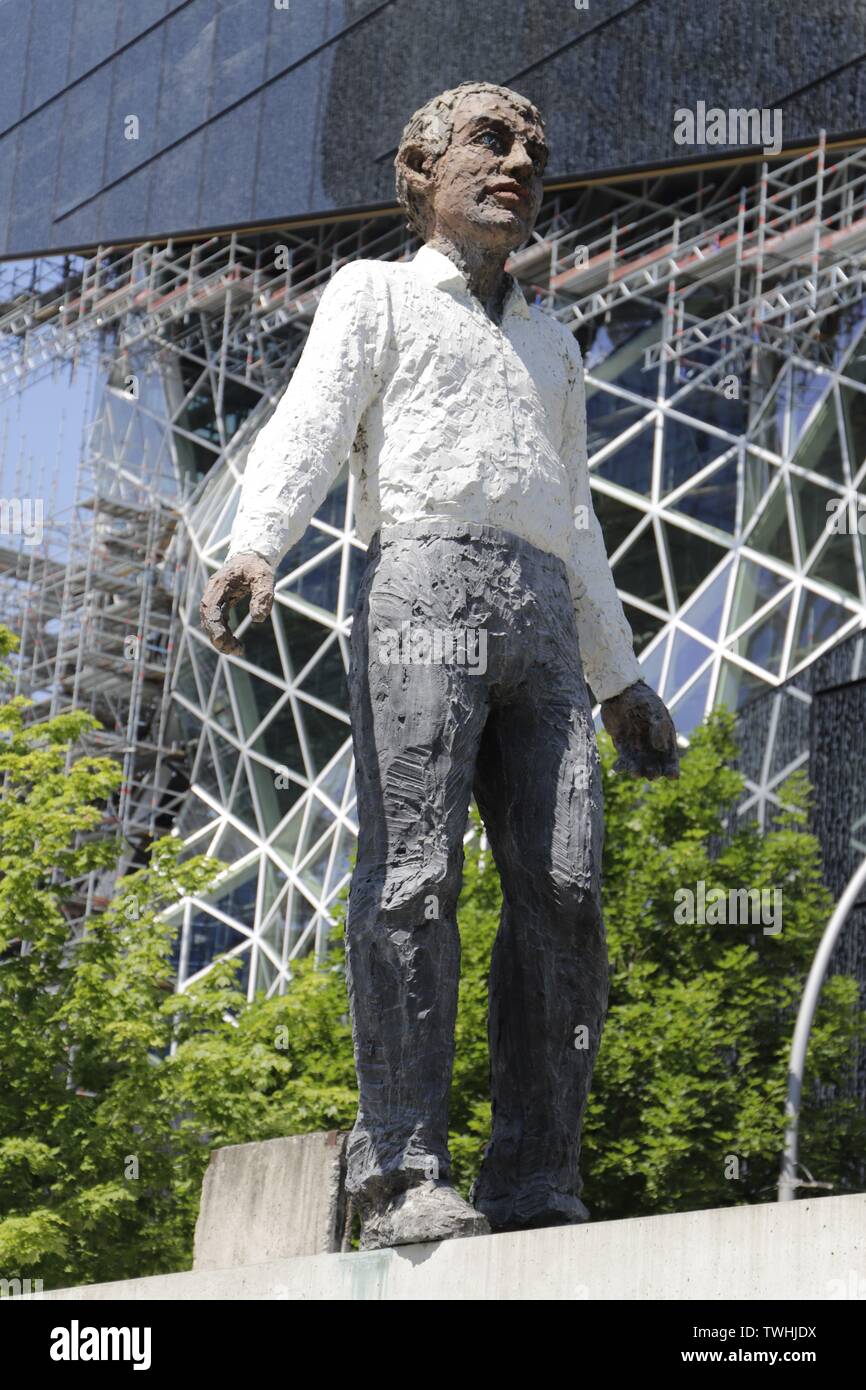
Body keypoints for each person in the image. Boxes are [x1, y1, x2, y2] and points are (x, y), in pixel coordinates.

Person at [200, 81, 679, 1251]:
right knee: (413, 870)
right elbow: (309, 421)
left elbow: (572, 522)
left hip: (538, 616)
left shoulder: (551, 340)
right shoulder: (372, 294)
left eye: (532, 149)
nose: (516, 160)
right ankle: (402, 1163)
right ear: (419, 171)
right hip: (420, 583)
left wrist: (614, 676)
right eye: (487, 140)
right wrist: (257, 546)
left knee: (564, 890)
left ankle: (534, 1176)